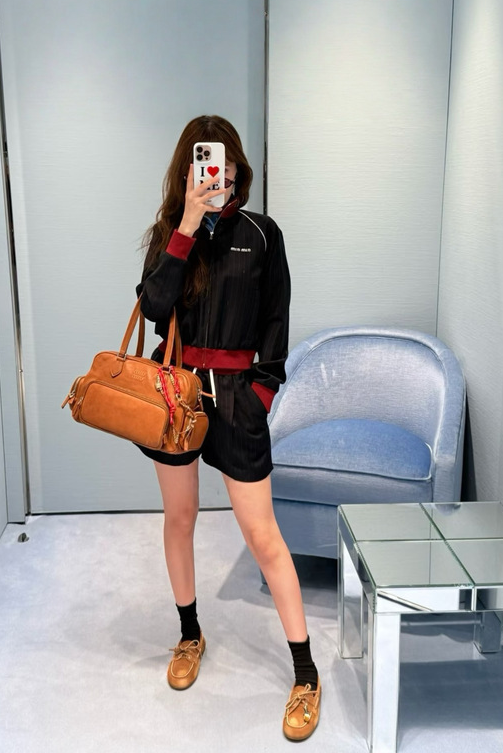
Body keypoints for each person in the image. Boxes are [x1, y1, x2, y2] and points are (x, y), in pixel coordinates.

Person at [136, 115, 320, 741]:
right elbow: (154, 307)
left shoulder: (262, 234)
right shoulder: (171, 232)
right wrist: (186, 226)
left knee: (263, 535)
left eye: (225, 163)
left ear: (239, 168)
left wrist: (262, 393)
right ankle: (190, 635)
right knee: (180, 517)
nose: (217, 174)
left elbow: (276, 319)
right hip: (178, 395)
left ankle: (305, 673)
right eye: (204, 165)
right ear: (188, 172)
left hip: (239, 398)